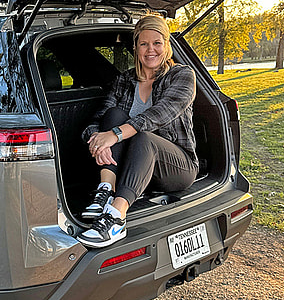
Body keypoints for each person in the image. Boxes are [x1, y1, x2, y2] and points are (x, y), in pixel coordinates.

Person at [77, 14, 199, 248]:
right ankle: (106, 190)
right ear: (135, 47)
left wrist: (114, 135)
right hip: (135, 169)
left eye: (157, 43)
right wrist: (98, 141)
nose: (150, 50)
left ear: (166, 45)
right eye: (143, 43)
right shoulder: (125, 80)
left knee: (143, 136)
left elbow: (160, 114)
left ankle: (116, 217)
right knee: (113, 116)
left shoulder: (182, 75)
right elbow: (98, 119)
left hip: (177, 166)